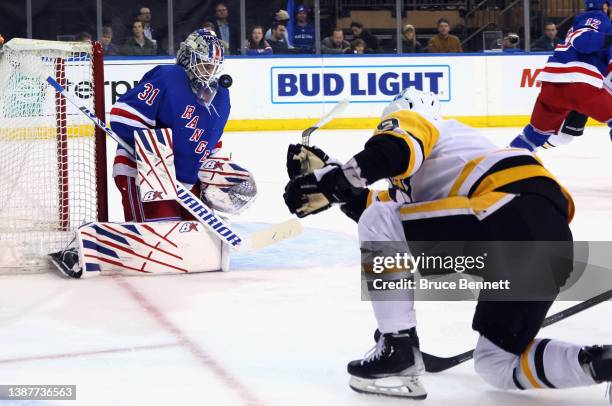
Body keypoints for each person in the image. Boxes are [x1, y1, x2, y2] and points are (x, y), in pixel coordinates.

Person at [283, 88, 612, 400]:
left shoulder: (422, 124)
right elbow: (381, 214)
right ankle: (602, 363)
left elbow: (393, 154)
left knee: (382, 220)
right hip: (549, 245)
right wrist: (334, 184)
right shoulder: (444, 169)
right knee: (496, 364)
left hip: (508, 212)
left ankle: (398, 346)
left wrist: (338, 179)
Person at [110, 29, 230, 222]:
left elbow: (212, 142)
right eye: (205, 65)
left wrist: (217, 175)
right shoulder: (168, 77)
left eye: (214, 67)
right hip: (144, 175)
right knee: (160, 233)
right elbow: (122, 117)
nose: (210, 72)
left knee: (195, 235)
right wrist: (158, 153)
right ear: (188, 58)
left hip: (187, 182)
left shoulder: (221, 96)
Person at [510, 0, 612, 151]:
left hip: (553, 88)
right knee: (565, 136)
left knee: (532, 137)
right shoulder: (596, 17)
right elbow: (582, 41)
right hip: (580, 84)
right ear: (604, 6)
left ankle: (507, 161)